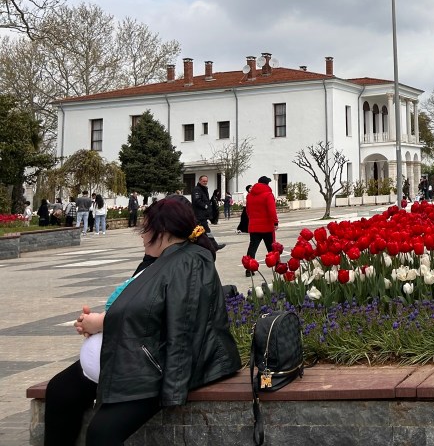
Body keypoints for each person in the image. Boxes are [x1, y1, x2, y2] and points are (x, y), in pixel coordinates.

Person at [43, 198, 242, 446]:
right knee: (60, 390)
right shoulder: (161, 260)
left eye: (146, 229)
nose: (142, 236)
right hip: (134, 359)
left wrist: (172, 392)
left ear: (164, 231)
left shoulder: (188, 264)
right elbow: (139, 310)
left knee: (102, 433)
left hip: (156, 369)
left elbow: (183, 331)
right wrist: (100, 323)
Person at [245, 175, 278, 261]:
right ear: (267, 184)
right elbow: (272, 210)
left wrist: (252, 219)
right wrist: (275, 222)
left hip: (254, 226)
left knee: (252, 248)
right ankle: (277, 265)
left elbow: (248, 210)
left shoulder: (249, 196)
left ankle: (249, 266)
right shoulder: (268, 195)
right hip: (267, 226)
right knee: (271, 248)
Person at [191, 175, 225, 250]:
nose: (205, 182)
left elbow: (205, 200)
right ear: (200, 181)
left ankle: (200, 246)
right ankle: (214, 246)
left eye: (206, 181)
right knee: (206, 231)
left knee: (201, 231)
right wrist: (205, 206)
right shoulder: (197, 189)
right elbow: (197, 201)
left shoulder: (204, 189)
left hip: (203, 215)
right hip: (199, 215)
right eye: (203, 181)